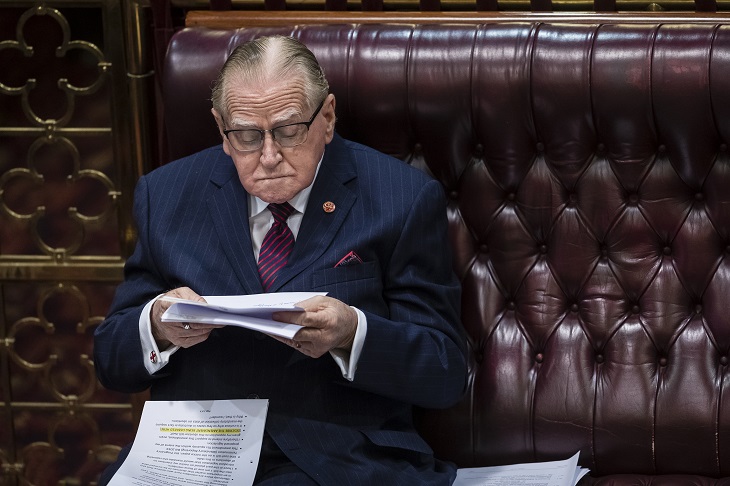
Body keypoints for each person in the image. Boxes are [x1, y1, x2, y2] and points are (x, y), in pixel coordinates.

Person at [94, 35, 468, 485]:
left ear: (327, 117)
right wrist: (156, 326)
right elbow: (111, 361)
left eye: (290, 131)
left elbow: (444, 371)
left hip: (336, 456)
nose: (269, 157)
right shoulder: (166, 195)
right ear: (221, 128)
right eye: (247, 136)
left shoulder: (401, 198)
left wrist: (351, 334)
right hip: (197, 454)